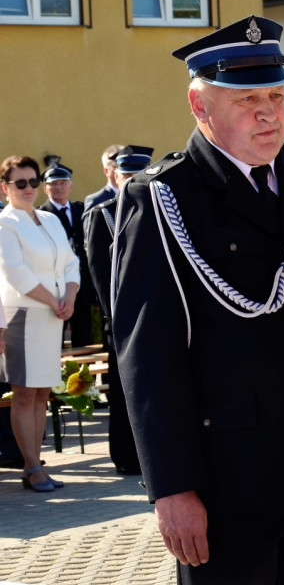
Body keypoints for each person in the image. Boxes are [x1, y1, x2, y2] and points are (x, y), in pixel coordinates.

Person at [111, 15, 284, 583]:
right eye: (245, 100)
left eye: (276, 95)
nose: (268, 112)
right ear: (201, 106)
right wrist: (171, 486)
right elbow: (148, 357)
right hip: (225, 479)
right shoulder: (165, 198)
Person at [0, 155, 80, 492]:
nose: (29, 188)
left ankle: (38, 464)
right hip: (24, 313)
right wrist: (54, 301)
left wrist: (70, 298)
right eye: (21, 183)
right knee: (24, 393)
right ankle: (30, 467)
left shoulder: (49, 219)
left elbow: (70, 262)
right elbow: (16, 273)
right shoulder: (5, 223)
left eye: (33, 181)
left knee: (42, 392)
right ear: (5, 188)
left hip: (53, 314)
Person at [85, 145, 154, 476]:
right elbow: (99, 273)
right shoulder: (104, 214)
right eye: (127, 175)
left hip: (157, 314)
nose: (132, 181)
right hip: (123, 319)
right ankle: (127, 456)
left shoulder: (161, 209)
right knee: (126, 391)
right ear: (115, 175)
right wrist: (115, 320)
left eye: (138, 174)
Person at [39, 161, 95, 348]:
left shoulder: (81, 210)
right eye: (53, 184)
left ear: (71, 186)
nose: (58, 187)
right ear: (45, 188)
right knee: (55, 338)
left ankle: (84, 376)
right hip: (55, 285)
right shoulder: (40, 215)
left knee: (84, 335)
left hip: (82, 283)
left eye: (63, 182)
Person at [84, 144, 124, 214]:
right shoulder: (95, 200)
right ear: (106, 171)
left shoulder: (138, 195)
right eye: (116, 166)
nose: (122, 171)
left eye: (125, 166)